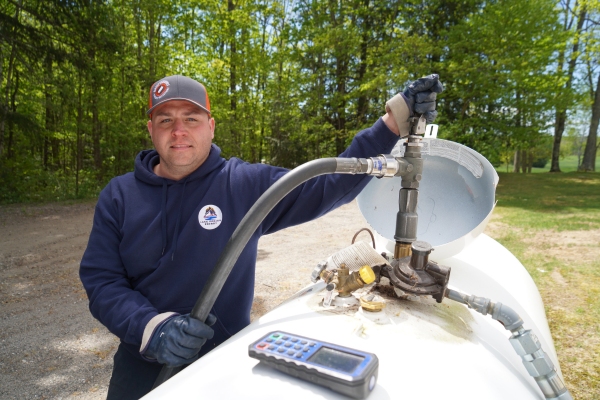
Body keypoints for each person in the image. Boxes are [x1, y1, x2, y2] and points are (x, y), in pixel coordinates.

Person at [79, 74, 443, 399]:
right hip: (140, 360)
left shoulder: (242, 184)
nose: (179, 131)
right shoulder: (119, 194)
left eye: (191, 119)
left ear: (211, 126)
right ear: (151, 129)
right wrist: (151, 329)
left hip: (224, 359)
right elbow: (102, 280)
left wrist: (391, 122)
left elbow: (329, 184)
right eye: (166, 120)